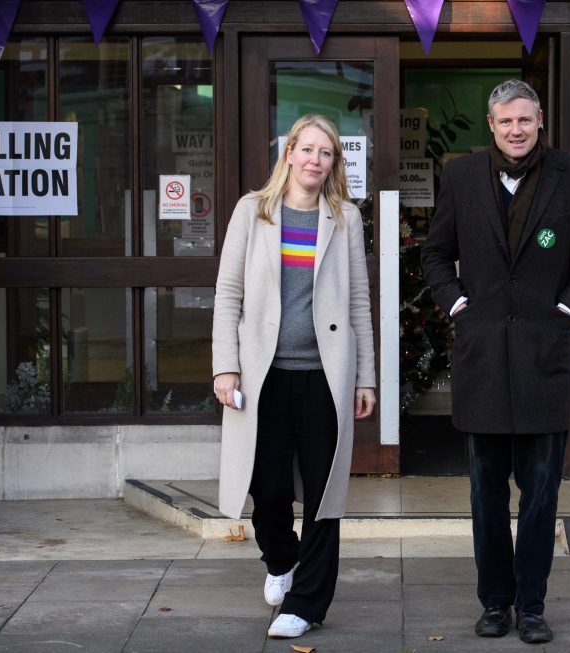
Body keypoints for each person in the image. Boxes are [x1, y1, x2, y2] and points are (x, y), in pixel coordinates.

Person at [421, 80, 570, 644]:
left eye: (524, 120)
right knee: (484, 494)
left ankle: (532, 605)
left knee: (541, 494)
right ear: (491, 123)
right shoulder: (459, 176)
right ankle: (494, 603)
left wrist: (567, 309)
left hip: (543, 356)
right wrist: (456, 303)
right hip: (481, 357)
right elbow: (434, 251)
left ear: (540, 119)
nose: (516, 130)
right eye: (505, 122)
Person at [212, 114, 376, 639]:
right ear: (289, 154)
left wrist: (365, 378)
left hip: (325, 377)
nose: (315, 160)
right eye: (307, 150)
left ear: (334, 163)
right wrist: (225, 365)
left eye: (325, 153)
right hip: (263, 378)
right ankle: (280, 560)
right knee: (268, 486)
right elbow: (228, 295)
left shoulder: (344, 217)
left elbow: (357, 304)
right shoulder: (251, 211)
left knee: (325, 494)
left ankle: (306, 604)